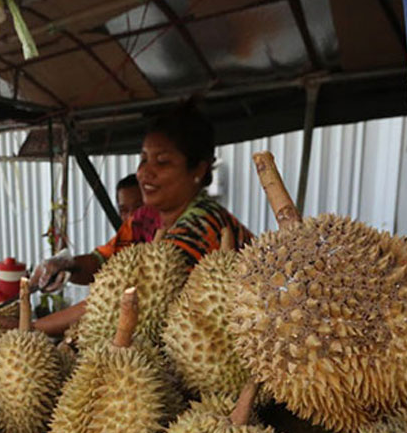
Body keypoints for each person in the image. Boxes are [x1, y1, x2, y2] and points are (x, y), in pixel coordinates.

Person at [33, 103, 253, 337]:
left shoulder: (204, 227)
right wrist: (68, 265)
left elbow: (131, 301)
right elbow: (104, 260)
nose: (144, 173)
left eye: (162, 161)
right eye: (143, 159)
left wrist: (31, 328)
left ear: (198, 170)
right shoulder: (146, 217)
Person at [29, 174, 152, 291]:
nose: (131, 216)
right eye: (124, 210)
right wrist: (65, 265)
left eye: (138, 207)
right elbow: (100, 262)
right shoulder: (129, 234)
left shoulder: (167, 232)